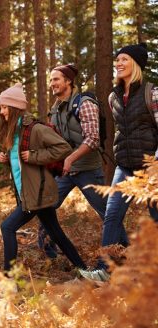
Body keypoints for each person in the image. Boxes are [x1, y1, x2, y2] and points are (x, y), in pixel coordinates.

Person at [81, 43, 158, 281]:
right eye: (117, 60)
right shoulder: (113, 96)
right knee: (112, 215)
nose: (118, 64)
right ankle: (103, 270)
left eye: (124, 59)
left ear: (135, 64)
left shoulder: (151, 93)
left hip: (150, 168)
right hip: (123, 167)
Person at [38, 63, 128, 258]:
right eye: (51, 79)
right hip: (64, 172)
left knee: (107, 215)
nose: (52, 83)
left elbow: (93, 139)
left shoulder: (85, 103)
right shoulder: (54, 110)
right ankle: (49, 257)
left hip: (88, 170)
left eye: (56, 79)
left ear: (68, 81)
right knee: (45, 206)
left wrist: (70, 158)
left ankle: (125, 252)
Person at [0, 83, 87, 272]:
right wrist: (6, 159)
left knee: (7, 227)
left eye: (4, 107)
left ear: (14, 108)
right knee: (56, 233)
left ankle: (7, 282)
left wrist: (35, 156)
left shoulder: (35, 129)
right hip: (29, 191)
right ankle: (85, 270)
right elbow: (19, 162)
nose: (1, 112)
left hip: (37, 193)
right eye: (1, 107)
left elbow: (63, 147)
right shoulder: (14, 131)